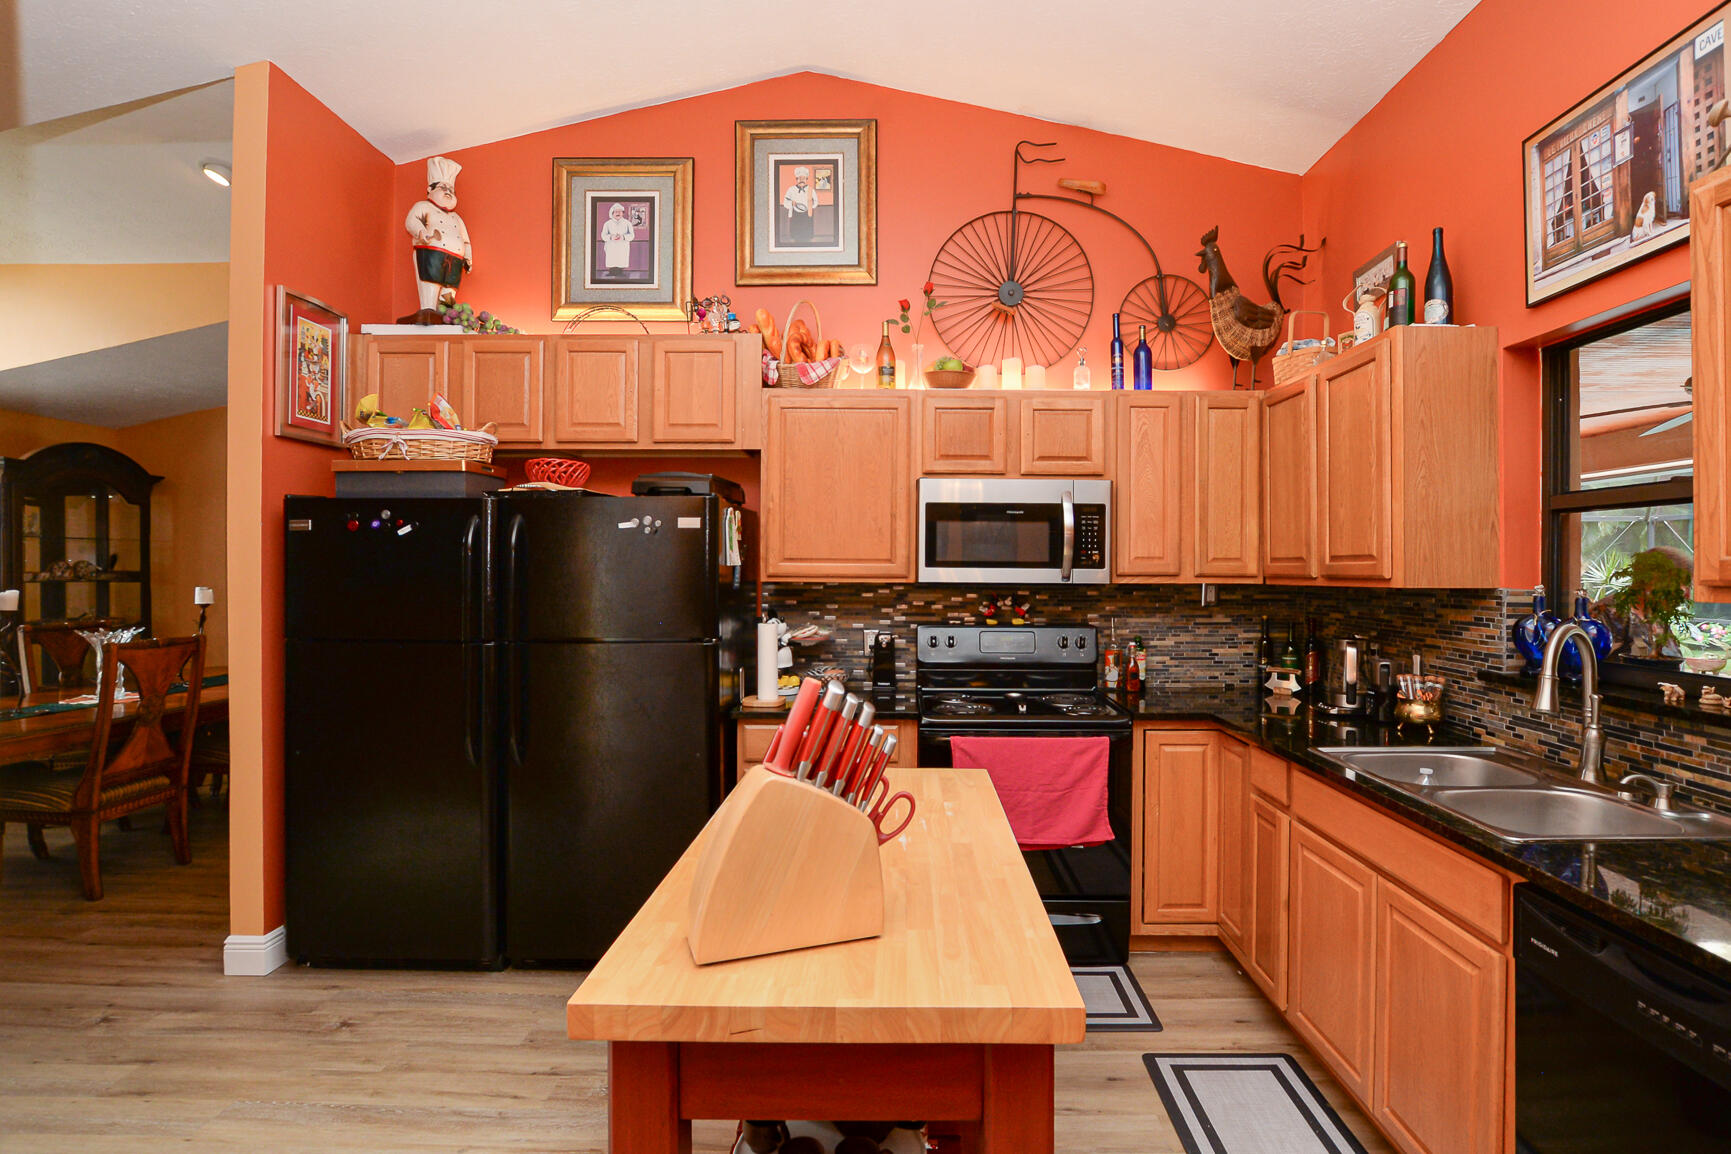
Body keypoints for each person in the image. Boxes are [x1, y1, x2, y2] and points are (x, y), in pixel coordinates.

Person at [403, 156, 472, 323]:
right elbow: (411, 221)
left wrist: (468, 257)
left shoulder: (456, 217)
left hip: (455, 259)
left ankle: (447, 315)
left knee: (449, 289)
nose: (448, 191)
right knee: (430, 283)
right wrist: (421, 232)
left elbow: (465, 240)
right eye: (443, 187)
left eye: (451, 189)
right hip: (431, 253)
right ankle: (428, 310)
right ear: (430, 189)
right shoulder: (423, 206)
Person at [780, 165, 817, 246]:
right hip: (795, 215)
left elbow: (816, 203)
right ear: (796, 179)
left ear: (806, 179)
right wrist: (791, 203)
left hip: (807, 216)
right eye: (799, 178)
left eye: (803, 178)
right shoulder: (791, 189)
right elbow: (785, 202)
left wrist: (811, 203)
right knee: (795, 237)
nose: (801, 180)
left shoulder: (811, 190)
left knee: (807, 237)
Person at [599, 202, 635, 278]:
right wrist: (611, 237)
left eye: (620, 212)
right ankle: (611, 272)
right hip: (611, 246)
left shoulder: (627, 223)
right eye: (616, 212)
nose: (618, 213)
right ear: (612, 213)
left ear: (623, 213)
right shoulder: (607, 224)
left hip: (622, 245)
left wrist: (623, 237)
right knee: (612, 259)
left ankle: (621, 272)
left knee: (621, 259)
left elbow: (632, 235)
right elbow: (603, 235)